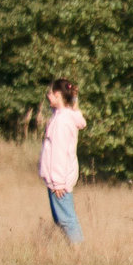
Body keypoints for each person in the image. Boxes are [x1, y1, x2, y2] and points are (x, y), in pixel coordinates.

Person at [39, 79, 86, 245]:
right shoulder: (61, 117)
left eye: (51, 93)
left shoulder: (61, 122)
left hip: (60, 181)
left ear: (58, 95)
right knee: (61, 219)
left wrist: (58, 182)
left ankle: (79, 255)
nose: (48, 96)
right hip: (57, 180)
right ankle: (74, 253)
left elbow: (59, 153)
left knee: (67, 220)